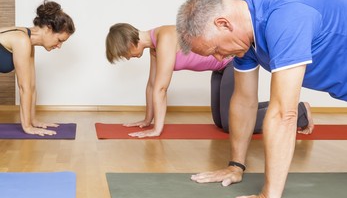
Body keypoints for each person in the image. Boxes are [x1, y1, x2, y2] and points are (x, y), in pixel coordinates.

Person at [176, 0, 347, 198]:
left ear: (224, 24)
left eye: (215, 49)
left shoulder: (286, 17)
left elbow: (284, 114)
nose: (218, 58)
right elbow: (244, 100)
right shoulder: (248, 37)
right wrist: (235, 166)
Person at [105, 23, 313, 138]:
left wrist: (157, 129)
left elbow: (161, 88)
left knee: (232, 123)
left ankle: (299, 112)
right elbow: (152, 85)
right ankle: (291, 107)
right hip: (219, 69)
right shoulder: (154, 47)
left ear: (129, 43)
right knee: (221, 121)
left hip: (233, 63)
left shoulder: (165, 37)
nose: (127, 57)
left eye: (124, 53)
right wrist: (147, 119)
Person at [0, 0, 75, 136]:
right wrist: (27, 127)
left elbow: (31, 86)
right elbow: (23, 88)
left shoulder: (28, 41)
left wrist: (33, 120)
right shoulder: (22, 40)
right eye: (59, 40)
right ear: (48, 28)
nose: (59, 46)